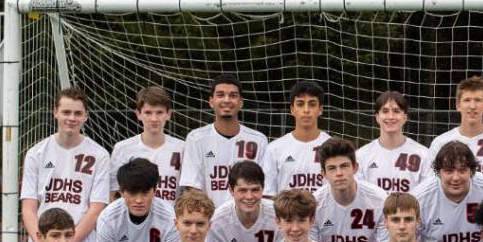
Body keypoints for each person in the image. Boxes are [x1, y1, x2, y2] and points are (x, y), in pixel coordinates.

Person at [21, 87, 110, 242]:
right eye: (66, 112)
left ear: (86, 116)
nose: (72, 118)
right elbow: (29, 207)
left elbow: (96, 210)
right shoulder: (36, 153)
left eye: (78, 113)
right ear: (55, 112)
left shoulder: (99, 155)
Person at [179, 75, 268, 206]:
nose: (227, 100)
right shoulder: (196, 139)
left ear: (241, 102)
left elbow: (264, 186)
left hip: (248, 217)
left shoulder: (259, 140)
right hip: (211, 219)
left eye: (233, 95)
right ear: (211, 101)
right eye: (220, 95)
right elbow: (192, 188)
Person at [109, 86, 186, 202]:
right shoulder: (122, 148)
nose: (154, 118)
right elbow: (111, 193)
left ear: (168, 114)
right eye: (148, 113)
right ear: (138, 114)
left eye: (159, 112)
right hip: (134, 219)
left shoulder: (183, 148)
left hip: (171, 218)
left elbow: (190, 192)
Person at [261, 80, 331, 196]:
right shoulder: (274, 149)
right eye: (300, 104)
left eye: (312, 104)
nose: (306, 110)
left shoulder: (332, 147)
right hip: (287, 214)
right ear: (292, 109)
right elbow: (268, 193)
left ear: (320, 109)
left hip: (324, 214)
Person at [356, 91, 433, 194]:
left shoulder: (423, 155)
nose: (391, 117)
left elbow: (428, 194)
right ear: (377, 117)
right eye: (385, 111)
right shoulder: (361, 155)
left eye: (396, 111)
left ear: (405, 117)